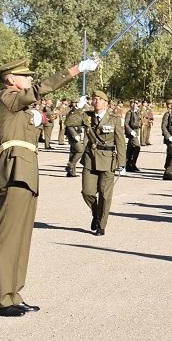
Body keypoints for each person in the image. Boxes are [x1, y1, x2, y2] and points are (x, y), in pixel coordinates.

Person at [0, 56, 96, 316]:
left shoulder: (18, 108)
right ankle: (0, 298)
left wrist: (42, 117)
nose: (30, 79)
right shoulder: (6, 97)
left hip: (26, 172)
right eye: (25, 76)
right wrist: (75, 68)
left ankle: (13, 293)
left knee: (22, 239)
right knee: (9, 237)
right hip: (14, 172)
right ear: (11, 79)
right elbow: (39, 90)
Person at [66, 90, 126, 235]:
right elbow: (69, 122)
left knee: (105, 196)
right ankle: (96, 214)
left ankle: (101, 224)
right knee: (87, 192)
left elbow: (121, 142)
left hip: (107, 160)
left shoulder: (114, 119)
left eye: (100, 99)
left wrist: (122, 163)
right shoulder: (86, 116)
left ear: (106, 103)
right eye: (94, 99)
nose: (96, 101)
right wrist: (79, 107)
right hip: (90, 159)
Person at [125, 100, 142, 172]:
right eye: (133, 103)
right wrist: (130, 131)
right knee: (137, 147)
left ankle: (130, 164)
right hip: (132, 132)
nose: (135, 105)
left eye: (136, 103)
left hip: (136, 131)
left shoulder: (137, 112)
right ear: (131, 104)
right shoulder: (129, 113)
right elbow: (126, 124)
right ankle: (131, 164)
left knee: (130, 149)